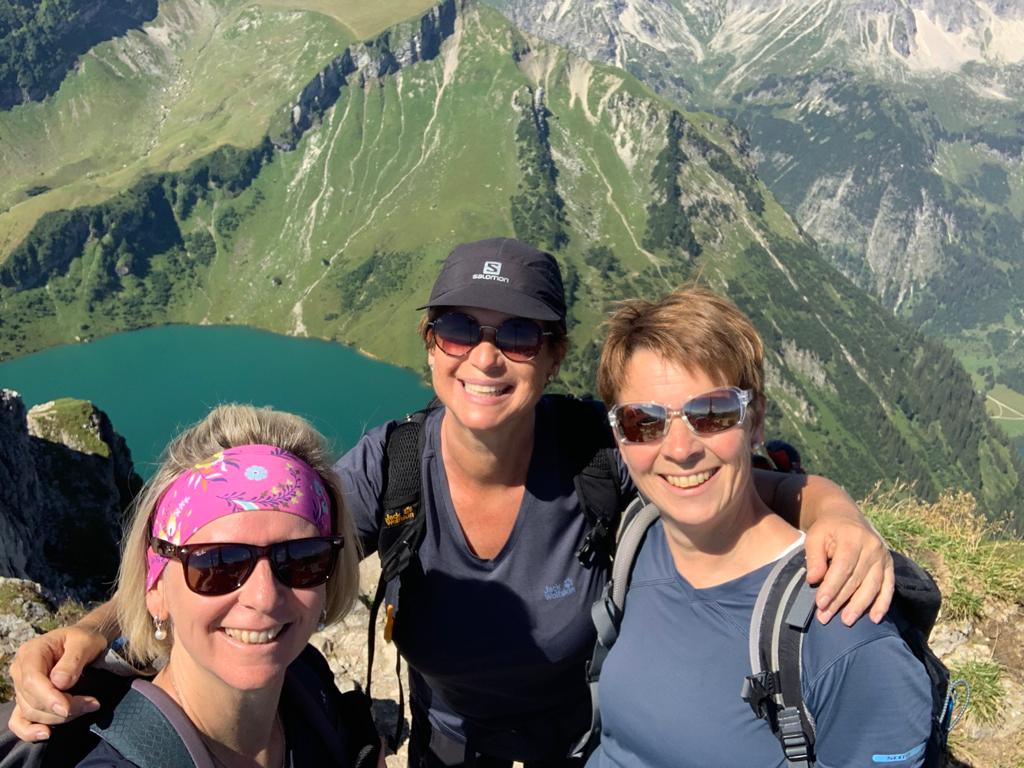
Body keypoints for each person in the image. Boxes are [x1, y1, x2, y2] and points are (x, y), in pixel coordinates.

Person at [8, 240, 893, 768]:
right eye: (459, 328)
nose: (485, 354)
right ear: (430, 346)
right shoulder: (390, 467)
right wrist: (93, 633)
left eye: (518, 332)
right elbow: (247, 547)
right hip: (442, 746)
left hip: (580, 744)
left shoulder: (602, 449)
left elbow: (713, 475)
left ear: (552, 357)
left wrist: (829, 507)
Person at [585, 287, 932, 767]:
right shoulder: (637, 539)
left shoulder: (843, 631)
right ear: (619, 437)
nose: (680, 448)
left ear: (755, 421)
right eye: (644, 422)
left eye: (712, 414)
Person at [70, 405, 375, 767]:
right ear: (156, 588)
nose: (264, 597)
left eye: (301, 558)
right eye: (218, 564)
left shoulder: (306, 678)